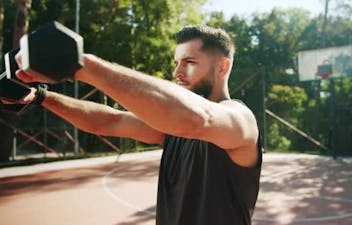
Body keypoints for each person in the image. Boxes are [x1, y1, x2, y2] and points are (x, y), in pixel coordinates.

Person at [15, 25, 262, 225]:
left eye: (189, 62)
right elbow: (108, 120)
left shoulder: (240, 119)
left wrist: (79, 64)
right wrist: (39, 97)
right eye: (176, 63)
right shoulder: (171, 126)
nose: (177, 72)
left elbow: (200, 119)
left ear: (222, 67)